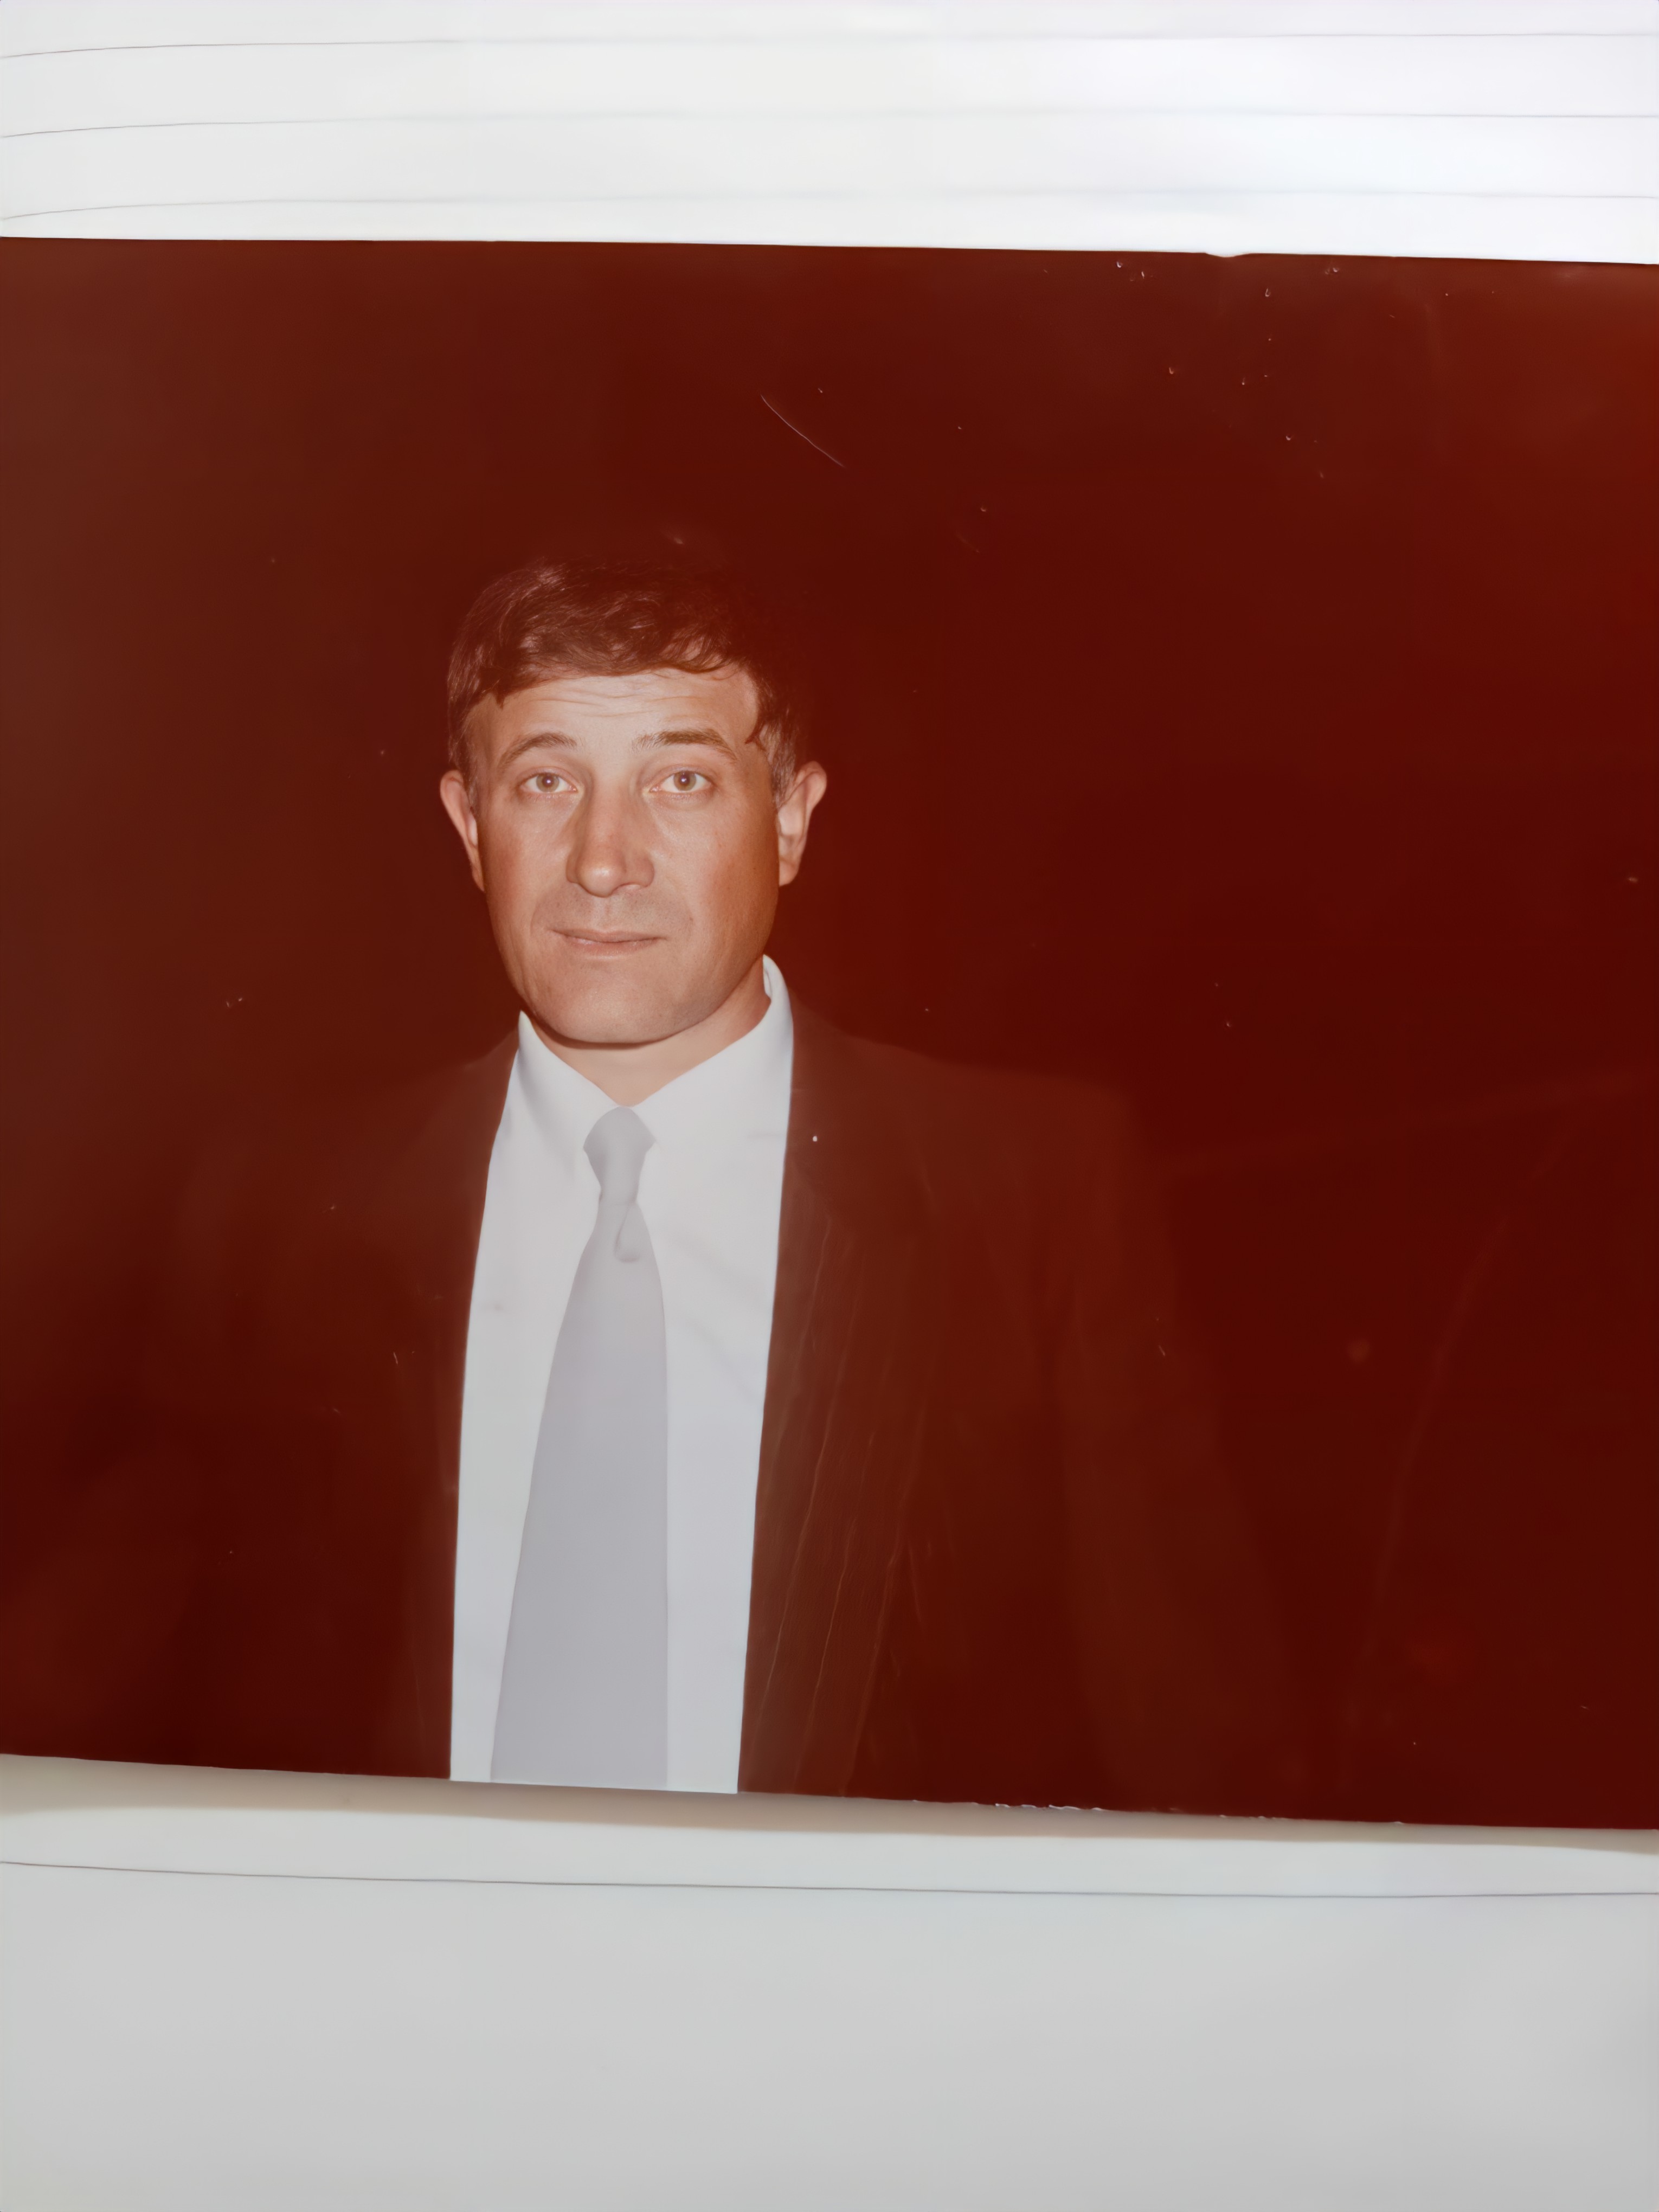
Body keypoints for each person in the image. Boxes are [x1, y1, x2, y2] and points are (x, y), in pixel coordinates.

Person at [2, 559, 1301, 1811]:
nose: (604, 859)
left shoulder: (1028, 1202)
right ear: (469, 826)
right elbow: (76, 1711)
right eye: (546, 781)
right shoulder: (276, 1223)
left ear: (790, 820)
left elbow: (1202, 1764)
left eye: (681, 779)